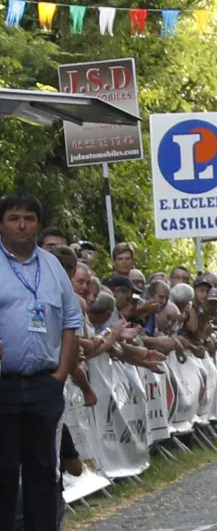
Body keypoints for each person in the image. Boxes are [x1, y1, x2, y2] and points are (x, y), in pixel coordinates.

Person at [0, 193, 83, 531]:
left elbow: (70, 321)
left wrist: (60, 376)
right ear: (2, 223)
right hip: (3, 387)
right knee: (3, 472)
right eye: (13, 218)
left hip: (43, 385)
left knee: (44, 472)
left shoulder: (51, 266)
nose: (21, 225)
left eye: (29, 218)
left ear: (37, 223)